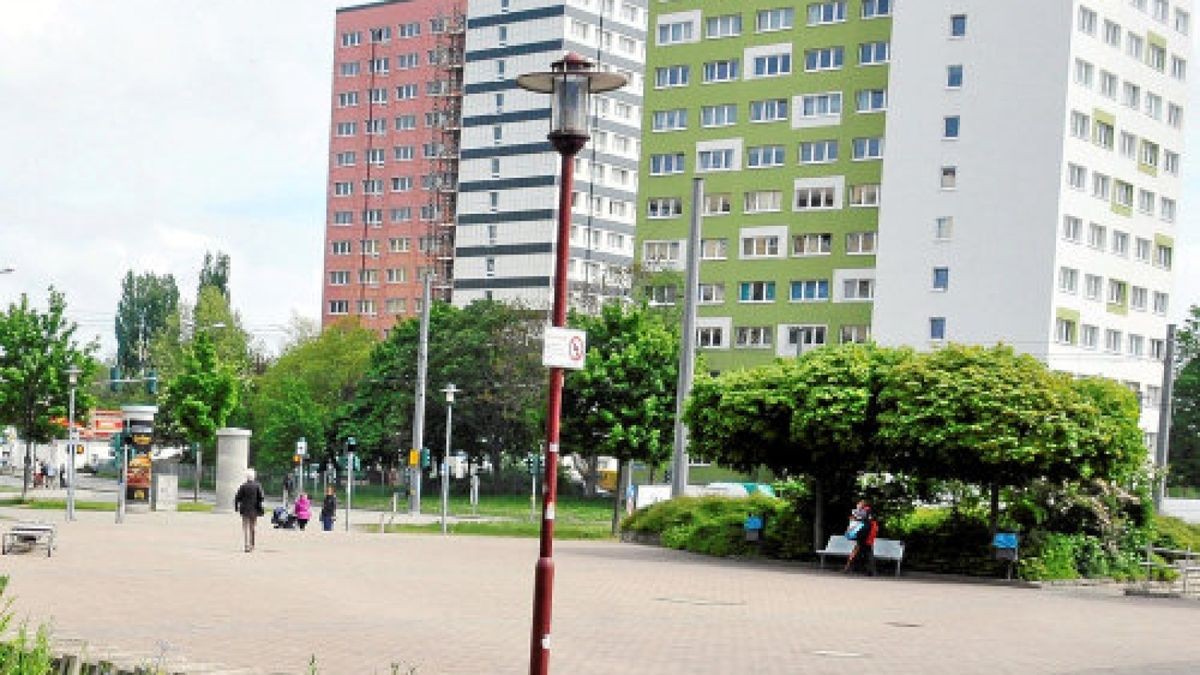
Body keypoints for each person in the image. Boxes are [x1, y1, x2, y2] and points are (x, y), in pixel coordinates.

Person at [234, 468, 266, 552]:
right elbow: (262, 497)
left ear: (247, 477)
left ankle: (246, 545)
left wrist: (236, 507)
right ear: (254, 476)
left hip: (244, 509)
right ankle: (252, 545)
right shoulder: (257, 485)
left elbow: (237, 497)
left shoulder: (243, 486)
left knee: (245, 527)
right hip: (254, 509)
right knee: (253, 527)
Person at [845, 500, 878, 576]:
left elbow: (858, 517)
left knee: (863, 551)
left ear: (863, 504)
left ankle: (851, 568)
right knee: (866, 551)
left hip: (865, 534)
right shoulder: (868, 511)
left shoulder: (865, 510)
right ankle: (869, 570)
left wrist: (854, 516)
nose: (858, 505)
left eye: (859, 504)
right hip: (867, 534)